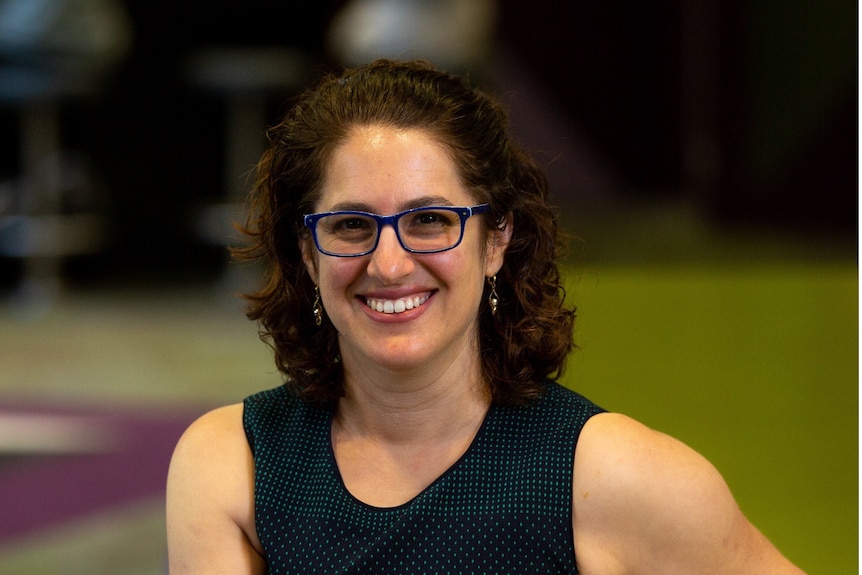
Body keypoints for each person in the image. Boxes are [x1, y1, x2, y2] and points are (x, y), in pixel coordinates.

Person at [166, 59, 805, 574]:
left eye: (430, 221)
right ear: (308, 252)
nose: (389, 265)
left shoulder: (616, 478)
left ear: (496, 240)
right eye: (352, 225)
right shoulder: (235, 463)